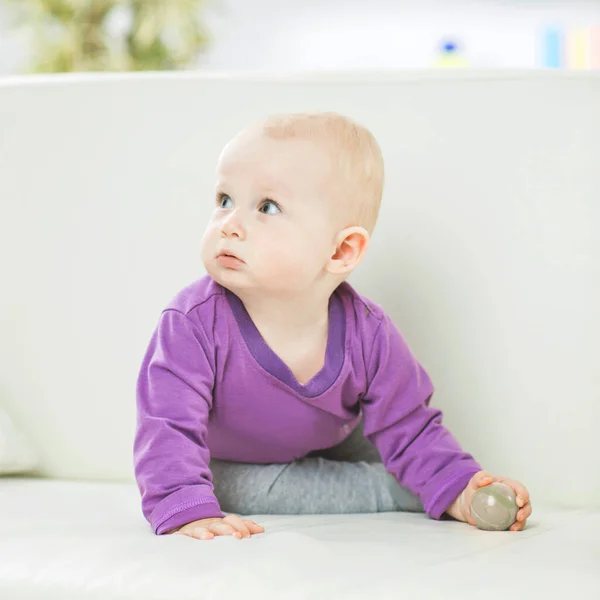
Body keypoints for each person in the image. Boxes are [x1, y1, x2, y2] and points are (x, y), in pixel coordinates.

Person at [133, 112, 532, 541]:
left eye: (266, 207)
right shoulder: (193, 323)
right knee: (235, 488)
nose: (229, 224)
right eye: (225, 199)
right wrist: (183, 507)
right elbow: (167, 425)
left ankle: (449, 490)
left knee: (407, 450)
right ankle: (396, 492)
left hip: (331, 435)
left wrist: (460, 484)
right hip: (233, 461)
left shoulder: (369, 333)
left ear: (341, 250)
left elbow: (409, 426)